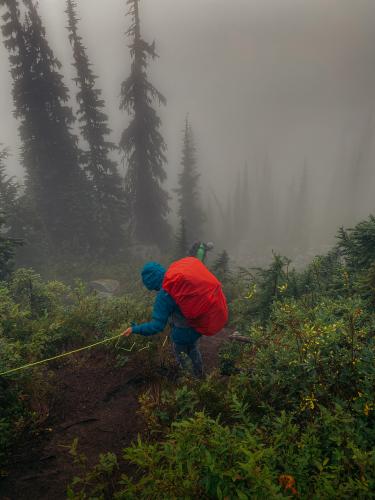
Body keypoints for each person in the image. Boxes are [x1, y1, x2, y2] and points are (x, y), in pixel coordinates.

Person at [122, 262, 203, 377]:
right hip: (197, 327)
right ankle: (200, 376)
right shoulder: (178, 282)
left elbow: (157, 326)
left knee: (182, 357)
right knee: (194, 350)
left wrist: (134, 329)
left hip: (181, 333)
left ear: (152, 282)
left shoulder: (165, 294)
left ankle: (189, 382)